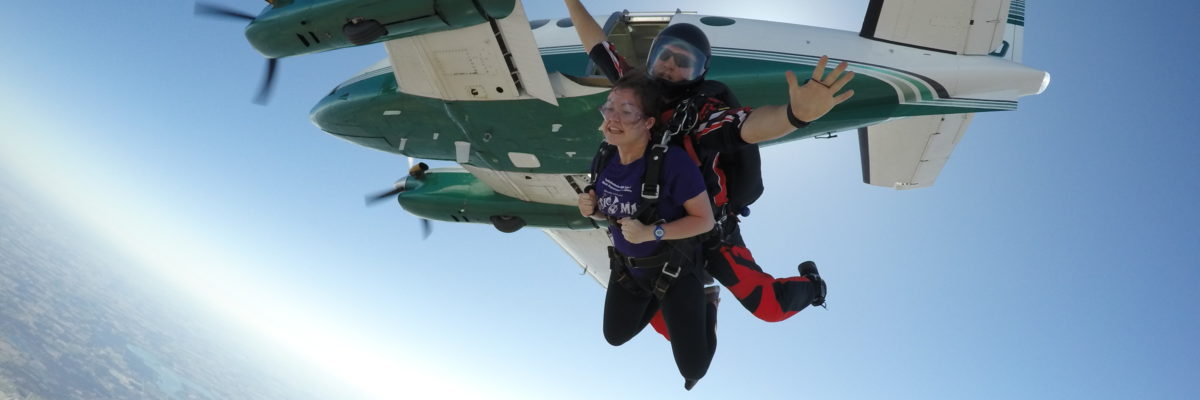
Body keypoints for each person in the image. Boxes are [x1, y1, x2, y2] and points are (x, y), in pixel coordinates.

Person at [565, 0, 854, 323]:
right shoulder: (633, 90)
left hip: (710, 230)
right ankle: (706, 309)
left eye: (683, 62)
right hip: (658, 224)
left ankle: (813, 286)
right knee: (655, 312)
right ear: (651, 59)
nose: (670, 65)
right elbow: (598, 47)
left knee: (769, 307)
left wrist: (794, 116)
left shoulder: (701, 114)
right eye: (665, 56)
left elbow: (746, 126)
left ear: (698, 73)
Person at [577, 72, 717, 390]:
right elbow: (612, 211)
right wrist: (592, 208)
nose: (612, 117)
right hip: (629, 270)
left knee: (694, 367)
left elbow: (704, 220)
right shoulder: (604, 155)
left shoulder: (674, 164)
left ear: (648, 123)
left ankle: (708, 300)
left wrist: (652, 233)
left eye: (626, 111)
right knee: (615, 337)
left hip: (675, 270)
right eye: (610, 106)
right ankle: (658, 299)